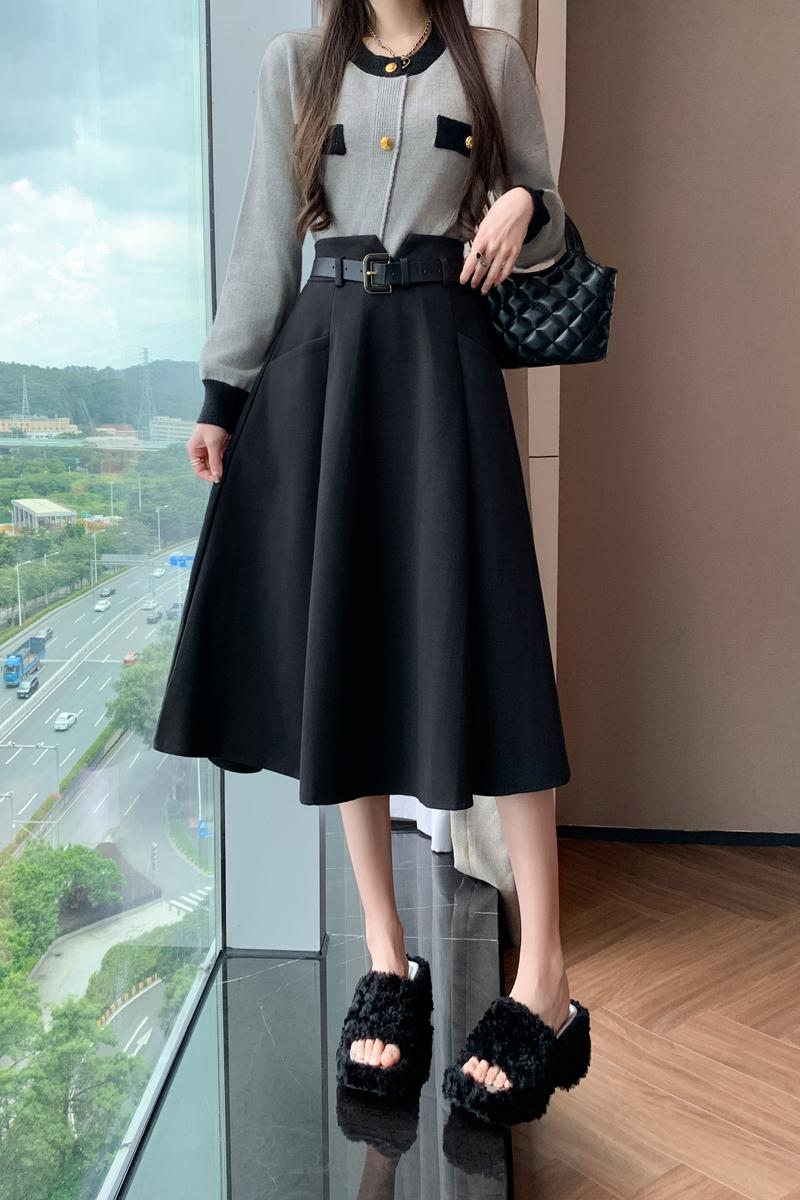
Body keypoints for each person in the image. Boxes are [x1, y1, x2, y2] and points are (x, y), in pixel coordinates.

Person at [152, 0, 591, 1126]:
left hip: (445, 375)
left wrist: (523, 200)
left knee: (495, 646)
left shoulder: (492, 61)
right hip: (323, 375)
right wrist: (222, 392)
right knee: (339, 649)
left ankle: (543, 978)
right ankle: (388, 961)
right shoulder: (295, 64)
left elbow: (546, 227)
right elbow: (266, 231)